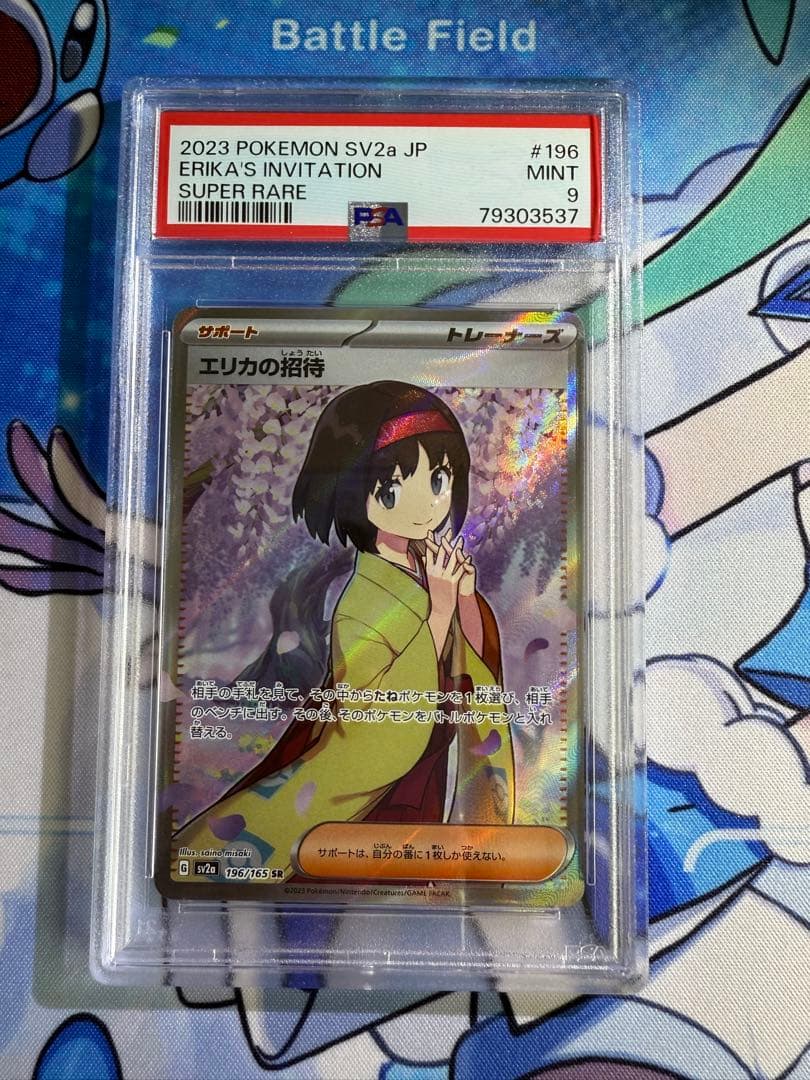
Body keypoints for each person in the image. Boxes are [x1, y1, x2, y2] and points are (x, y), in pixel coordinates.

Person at [174, 381, 515, 880]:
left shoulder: (431, 569)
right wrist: (440, 610)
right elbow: (374, 722)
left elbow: (473, 670)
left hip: (427, 768)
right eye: (392, 490)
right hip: (378, 788)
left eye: (438, 480)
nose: (425, 506)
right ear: (354, 493)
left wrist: (463, 599)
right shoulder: (360, 602)